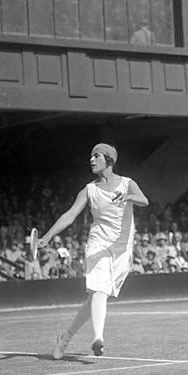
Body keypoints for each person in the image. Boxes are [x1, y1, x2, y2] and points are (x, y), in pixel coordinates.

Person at [41, 143, 148, 359]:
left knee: (95, 299)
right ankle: (98, 338)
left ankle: (65, 338)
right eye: (90, 156)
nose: (91, 160)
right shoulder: (89, 190)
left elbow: (144, 201)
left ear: (109, 159)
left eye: (96, 156)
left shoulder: (127, 184)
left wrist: (127, 197)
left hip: (122, 247)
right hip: (98, 243)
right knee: (98, 292)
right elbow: (69, 215)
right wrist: (48, 236)